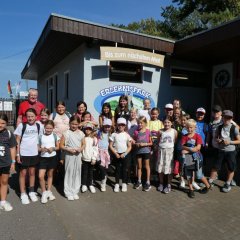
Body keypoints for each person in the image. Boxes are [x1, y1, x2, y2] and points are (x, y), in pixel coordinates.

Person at [14, 108, 43, 204]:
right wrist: (18, 154)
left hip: (34, 153)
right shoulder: (22, 125)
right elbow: (17, 140)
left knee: (32, 173)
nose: (30, 118)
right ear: (26, 117)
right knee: (23, 174)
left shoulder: (39, 126)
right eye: (28, 116)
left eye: (32, 116)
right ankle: (23, 193)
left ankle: (31, 192)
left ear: (36, 117)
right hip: (23, 153)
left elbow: (40, 138)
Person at [181, 119, 211, 198]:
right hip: (188, 159)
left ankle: (208, 185)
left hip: (197, 158)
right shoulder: (185, 136)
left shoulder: (198, 136)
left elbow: (197, 148)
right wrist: (190, 149)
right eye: (188, 127)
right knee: (189, 175)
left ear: (195, 127)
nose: (189, 129)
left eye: (191, 127)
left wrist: (188, 150)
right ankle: (191, 189)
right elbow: (182, 146)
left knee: (199, 175)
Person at [214, 110, 240, 193]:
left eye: (229, 118)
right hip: (221, 150)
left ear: (231, 118)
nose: (227, 119)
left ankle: (228, 183)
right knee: (216, 166)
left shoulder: (234, 128)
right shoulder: (219, 127)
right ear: (223, 117)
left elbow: (239, 141)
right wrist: (218, 140)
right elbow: (216, 137)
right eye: (225, 117)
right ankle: (211, 181)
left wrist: (230, 142)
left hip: (231, 151)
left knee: (231, 168)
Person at [60, 116, 85, 200]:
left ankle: (75, 191)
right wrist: (68, 149)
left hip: (78, 155)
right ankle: (68, 192)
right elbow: (61, 145)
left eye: (76, 124)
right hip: (69, 155)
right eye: (72, 124)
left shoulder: (81, 133)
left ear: (79, 124)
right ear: (69, 123)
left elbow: (83, 144)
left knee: (77, 172)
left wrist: (80, 149)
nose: (74, 126)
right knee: (69, 172)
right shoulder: (66, 133)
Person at [38, 120, 60, 204]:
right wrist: (41, 149)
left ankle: (49, 191)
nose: (48, 130)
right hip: (43, 158)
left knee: (50, 175)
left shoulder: (55, 136)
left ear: (53, 128)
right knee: (41, 176)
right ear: (44, 127)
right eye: (47, 128)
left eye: (50, 128)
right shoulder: (40, 136)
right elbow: (38, 148)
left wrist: (53, 148)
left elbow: (58, 147)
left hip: (52, 158)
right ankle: (44, 192)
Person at [109, 118, 132, 193]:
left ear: (125, 126)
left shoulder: (126, 135)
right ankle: (116, 184)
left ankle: (124, 184)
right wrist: (115, 153)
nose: (121, 126)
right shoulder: (114, 134)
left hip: (124, 155)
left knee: (125, 170)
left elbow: (129, 146)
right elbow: (111, 146)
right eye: (119, 124)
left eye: (123, 125)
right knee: (117, 170)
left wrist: (124, 154)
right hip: (117, 155)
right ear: (117, 125)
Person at [0, 114, 17, 211]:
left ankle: (3, 201)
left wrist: (13, 162)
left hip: (5, 163)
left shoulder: (9, 134)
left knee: (4, 181)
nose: (0, 125)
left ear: (7, 123)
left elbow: (12, 148)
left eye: (3, 123)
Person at [157, 117, 177, 194]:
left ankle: (168, 184)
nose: (167, 124)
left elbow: (174, 141)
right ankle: (161, 183)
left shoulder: (174, 131)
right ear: (163, 123)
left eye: (169, 122)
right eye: (165, 122)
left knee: (169, 168)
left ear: (171, 123)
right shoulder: (160, 131)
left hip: (170, 152)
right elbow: (159, 141)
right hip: (161, 151)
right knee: (160, 167)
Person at [133, 116, 152, 191]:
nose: (140, 124)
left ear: (145, 123)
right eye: (138, 123)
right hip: (138, 152)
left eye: (141, 123)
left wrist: (144, 144)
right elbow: (134, 141)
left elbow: (151, 143)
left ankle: (148, 182)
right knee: (139, 167)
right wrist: (135, 144)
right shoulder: (136, 132)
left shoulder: (148, 131)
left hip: (146, 151)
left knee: (147, 167)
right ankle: (139, 181)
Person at [81, 123, 98, 194]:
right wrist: (81, 158)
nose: (88, 130)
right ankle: (84, 184)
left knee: (91, 172)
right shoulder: (82, 138)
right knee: (84, 172)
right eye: (86, 129)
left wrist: (94, 158)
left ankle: (90, 184)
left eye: (89, 129)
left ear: (92, 130)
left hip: (91, 159)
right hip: (84, 159)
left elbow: (95, 149)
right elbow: (81, 149)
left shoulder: (94, 139)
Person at [97, 119, 112, 192]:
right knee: (101, 167)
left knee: (106, 167)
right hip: (99, 152)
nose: (107, 128)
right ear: (103, 126)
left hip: (107, 153)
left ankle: (104, 178)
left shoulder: (111, 134)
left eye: (108, 127)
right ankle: (103, 181)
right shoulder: (99, 133)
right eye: (105, 126)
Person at [147, 108, 164, 173]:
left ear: (158, 114)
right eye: (153, 114)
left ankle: (156, 171)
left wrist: (156, 132)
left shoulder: (160, 123)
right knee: (150, 157)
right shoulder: (148, 122)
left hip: (158, 142)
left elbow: (162, 132)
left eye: (155, 114)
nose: (154, 115)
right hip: (150, 142)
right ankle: (150, 171)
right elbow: (147, 131)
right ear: (151, 114)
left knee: (157, 157)